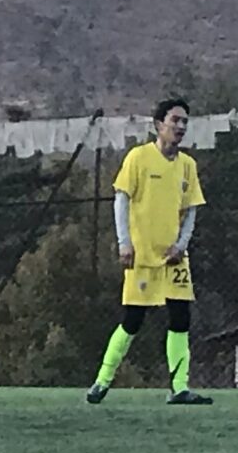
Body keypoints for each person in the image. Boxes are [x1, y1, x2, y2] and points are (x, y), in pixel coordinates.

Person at [86, 97, 212, 406]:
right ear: (158, 125)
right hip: (142, 255)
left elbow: (192, 209)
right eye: (175, 120)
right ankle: (102, 381)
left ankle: (180, 388)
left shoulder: (187, 166)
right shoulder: (138, 158)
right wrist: (124, 242)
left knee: (181, 317)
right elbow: (121, 199)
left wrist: (181, 245)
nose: (181, 126)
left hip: (173, 256)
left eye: (185, 121)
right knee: (133, 320)